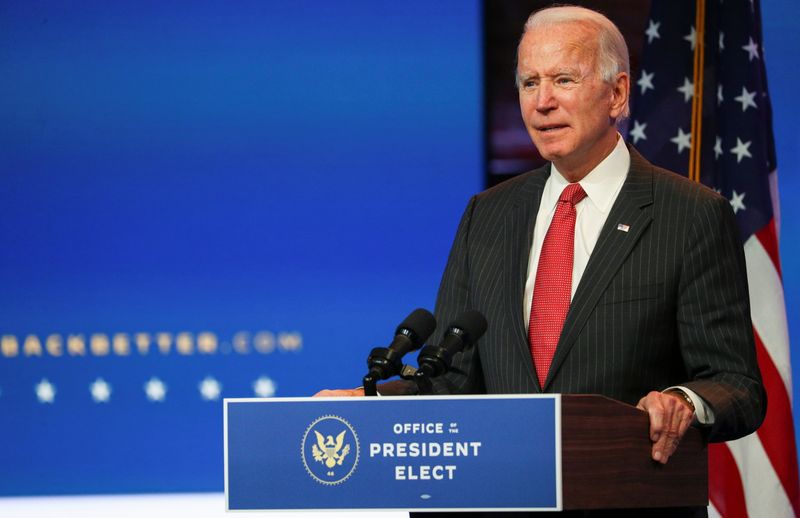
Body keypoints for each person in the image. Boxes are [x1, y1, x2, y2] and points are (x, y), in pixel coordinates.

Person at [317, 6, 765, 515]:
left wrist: (683, 401)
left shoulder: (691, 214)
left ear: (617, 93)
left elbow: (738, 385)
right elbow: (452, 379)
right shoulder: (487, 213)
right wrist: (370, 407)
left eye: (564, 80)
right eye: (530, 83)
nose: (543, 102)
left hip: (628, 499)